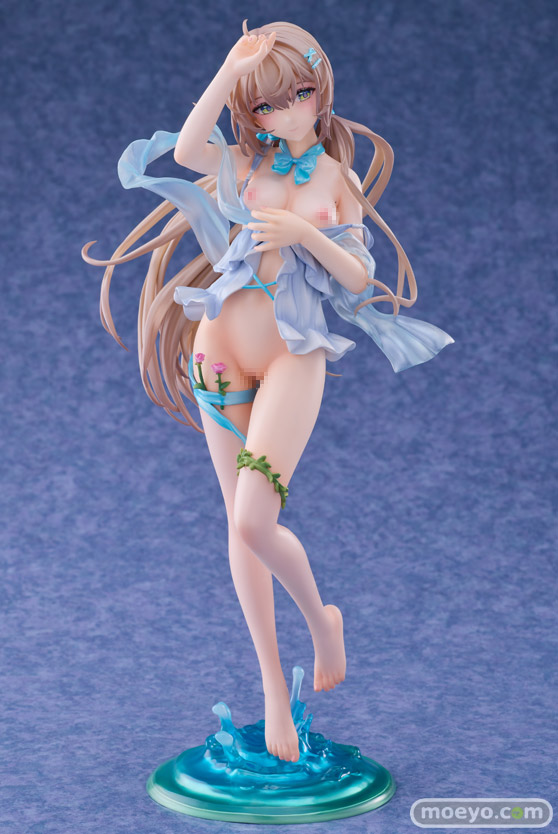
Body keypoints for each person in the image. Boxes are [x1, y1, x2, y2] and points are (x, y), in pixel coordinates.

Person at [82, 20, 453, 764]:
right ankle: (273, 693)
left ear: (321, 92)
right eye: (262, 105)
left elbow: (359, 276)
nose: (281, 113)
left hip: (293, 354)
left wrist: (304, 234)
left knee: (255, 520)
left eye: (296, 95)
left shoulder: (335, 178)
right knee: (238, 528)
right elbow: (187, 150)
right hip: (217, 349)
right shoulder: (244, 163)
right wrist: (229, 69)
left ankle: (321, 620)